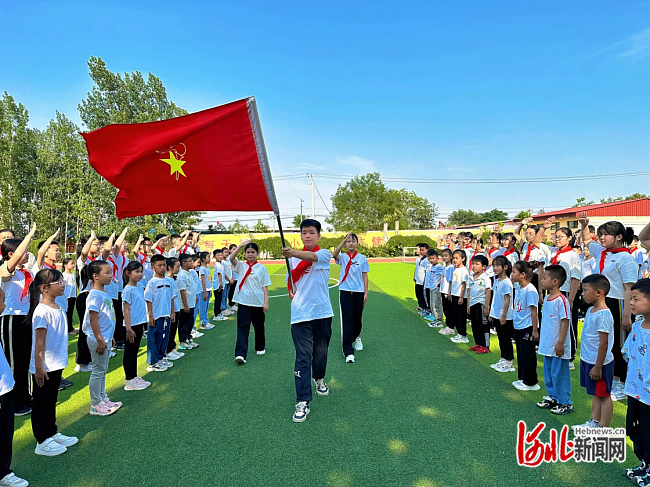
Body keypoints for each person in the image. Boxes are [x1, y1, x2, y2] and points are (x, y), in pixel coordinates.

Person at [580, 214, 639, 401]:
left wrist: (627, 315)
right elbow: (587, 240)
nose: (602, 238)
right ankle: (613, 378)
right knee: (608, 343)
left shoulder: (625, 258)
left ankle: (623, 382)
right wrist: (583, 225)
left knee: (621, 345)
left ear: (619, 237)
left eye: (606, 234)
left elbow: (629, 288)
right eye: (601, 234)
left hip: (620, 302)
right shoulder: (603, 252)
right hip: (604, 301)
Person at [281, 219, 334, 423]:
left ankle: (319, 378)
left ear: (318, 235)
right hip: (300, 315)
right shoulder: (291, 260)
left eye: (312, 232)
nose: (308, 236)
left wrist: (293, 252)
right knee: (303, 358)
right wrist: (290, 291)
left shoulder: (324, 253)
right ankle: (302, 401)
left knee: (320, 355)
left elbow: (311, 257)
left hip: (322, 313)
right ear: (301, 235)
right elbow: (291, 280)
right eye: (304, 233)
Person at [27, 268, 78, 456]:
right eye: (59, 282)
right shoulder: (41, 311)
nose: (63, 285)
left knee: (51, 400)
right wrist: (38, 368)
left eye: (63, 281)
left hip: (57, 364)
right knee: (40, 402)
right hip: (44, 366)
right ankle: (41, 440)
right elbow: (38, 343)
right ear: (44, 288)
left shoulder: (59, 308)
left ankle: (52, 432)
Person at [534, 217, 581, 368]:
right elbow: (536, 242)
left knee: (569, 324)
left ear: (569, 238)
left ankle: (570, 355)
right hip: (552, 293)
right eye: (555, 236)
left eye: (560, 237)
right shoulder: (553, 251)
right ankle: (552, 348)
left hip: (566, 292)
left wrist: (572, 299)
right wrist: (544, 227)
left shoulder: (572, 255)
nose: (557, 239)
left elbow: (575, 278)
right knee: (552, 323)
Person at [0, 223, 37, 416]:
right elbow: (13, 260)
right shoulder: (4, 271)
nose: (27, 253)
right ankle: (15, 403)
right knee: (14, 362)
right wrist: (29, 234)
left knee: (25, 360)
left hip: (25, 319)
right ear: (9, 255)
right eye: (23, 251)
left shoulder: (25, 272)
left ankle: (25, 397)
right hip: (10, 320)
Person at [573, 274, 615, 431]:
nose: (582, 294)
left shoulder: (604, 315)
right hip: (588, 359)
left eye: (585, 290)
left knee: (604, 395)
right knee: (596, 394)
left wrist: (598, 367)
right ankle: (594, 422)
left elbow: (603, 343)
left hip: (600, 363)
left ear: (599, 292)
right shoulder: (591, 310)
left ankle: (605, 428)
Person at [83, 261, 122, 416]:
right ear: (95, 276)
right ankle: (95, 404)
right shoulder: (94, 295)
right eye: (107, 272)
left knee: (103, 369)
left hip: (105, 338)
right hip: (97, 339)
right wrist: (99, 339)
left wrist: (109, 337)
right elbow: (93, 319)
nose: (110, 275)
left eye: (111, 272)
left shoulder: (104, 293)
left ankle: (102, 398)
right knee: (98, 371)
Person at [622, 279, 650, 485]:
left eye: (636, 299)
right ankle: (644, 463)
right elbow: (627, 352)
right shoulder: (638, 326)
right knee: (634, 430)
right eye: (630, 298)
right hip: (634, 390)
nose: (631, 303)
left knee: (649, 433)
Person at [0, 287, 29, 487]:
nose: (4, 305)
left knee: (6, 432)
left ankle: (3, 471)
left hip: (5, 386)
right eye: (1, 300)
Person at [535, 265, 573, 415]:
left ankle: (565, 402)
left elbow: (565, 321)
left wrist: (560, 342)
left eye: (545, 278)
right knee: (549, 372)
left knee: (560, 373)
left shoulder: (561, 300)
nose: (542, 280)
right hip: (547, 345)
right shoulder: (548, 299)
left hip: (558, 346)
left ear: (555, 281)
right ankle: (553, 397)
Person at [229, 240, 271, 364]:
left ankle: (260, 346)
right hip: (243, 301)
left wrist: (266, 302)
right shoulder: (241, 266)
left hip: (257, 302)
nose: (250, 254)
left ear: (257, 253)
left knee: (258, 325)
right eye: (248, 252)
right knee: (242, 327)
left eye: (253, 252)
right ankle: (241, 354)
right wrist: (240, 246)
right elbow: (231, 258)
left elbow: (265, 286)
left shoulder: (262, 268)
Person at [332, 233, 370, 363]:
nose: (351, 243)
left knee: (357, 319)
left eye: (353, 241)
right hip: (345, 292)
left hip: (358, 292)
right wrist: (342, 242)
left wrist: (366, 292)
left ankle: (357, 337)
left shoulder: (362, 258)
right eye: (348, 241)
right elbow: (334, 254)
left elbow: (365, 275)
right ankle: (348, 351)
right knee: (346, 321)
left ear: (357, 243)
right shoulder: (342, 257)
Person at [121, 261, 151, 391]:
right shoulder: (127, 290)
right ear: (128, 273)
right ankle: (129, 380)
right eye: (136, 271)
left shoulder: (139, 288)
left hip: (139, 324)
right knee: (130, 353)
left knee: (134, 351)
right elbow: (126, 310)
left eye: (141, 271)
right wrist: (128, 328)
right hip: (131, 326)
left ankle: (134, 376)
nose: (140, 274)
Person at [511, 261, 540, 392]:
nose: (511, 274)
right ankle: (523, 378)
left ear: (522, 275)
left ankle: (531, 382)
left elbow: (534, 311)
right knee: (521, 354)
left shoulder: (531, 290)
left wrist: (535, 329)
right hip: (518, 325)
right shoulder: (518, 287)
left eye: (513, 272)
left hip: (527, 327)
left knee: (528, 354)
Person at [144, 255, 176, 372]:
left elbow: (172, 297)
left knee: (164, 337)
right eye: (159, 266)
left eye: (164, 265)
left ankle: (161, 357)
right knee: (154, 338)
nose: (163, 268)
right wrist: (150, 315)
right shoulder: (151, 283)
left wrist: (172, 312)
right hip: (156, 315)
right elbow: (148, 299)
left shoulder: (169, 281)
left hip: (166, 314)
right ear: (153, 268)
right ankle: (153, 361)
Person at [489, 256, 515, 373]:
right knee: (501, 337)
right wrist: (491, 313)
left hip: (505, 316)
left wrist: (503, 315)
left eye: (497, 265)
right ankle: (504, 358)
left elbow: (507, 300)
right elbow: (495, 298)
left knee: (506, 338)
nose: (495, 268)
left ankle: (509, 361)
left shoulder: (507, 282)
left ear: (505, 267)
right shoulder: (496, 280)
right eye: (494, 265)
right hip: (496, 314)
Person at [465, 254, 492, 353]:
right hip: (472, 304)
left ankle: (485, 346)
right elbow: (468, 291)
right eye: (473, 264)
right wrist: (468, 305)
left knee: (483, 324)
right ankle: (478, 343)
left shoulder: (486, 278)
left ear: (484, 267)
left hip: (481, 303)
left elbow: (488, 291)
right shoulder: (470, 277)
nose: (474, 266)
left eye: (477, 264)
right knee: (475, 325)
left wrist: (486, 306)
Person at [165, 257, 186, 360]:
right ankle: (168, 350)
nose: (179, 269)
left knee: (173, 330)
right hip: (171, 310)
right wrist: (172, 311)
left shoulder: (173, 279)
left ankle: (172, 348)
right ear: (170, 267)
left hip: (176, 308)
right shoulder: (167, 280)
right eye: (177, 267)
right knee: (170, 330)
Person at [176, 254, 198, 351]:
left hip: (191, 302)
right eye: (190, 261)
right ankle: (183, 340)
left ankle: (188, 338)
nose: (192, 262)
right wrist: (185, 305)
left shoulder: (189, 273)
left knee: (190, 322)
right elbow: (182, 291)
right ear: (184, 263)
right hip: (185, 304)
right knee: (184, 322)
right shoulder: (181, 275)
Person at [446, 250, 469, 342]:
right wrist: (450, 292)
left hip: (460, 296)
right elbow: (452, 282)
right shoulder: (454, 269)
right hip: (454, 295)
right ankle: (459, 333)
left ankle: (463, 335)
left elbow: (464, 285)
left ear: (463, 259)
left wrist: (461, 297)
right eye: (453, 258)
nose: (454, 260)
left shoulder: (464, 270)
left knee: (461, 316)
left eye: (457, 258)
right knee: (456, 314)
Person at [423, 249, 445, 328]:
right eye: (430, 259)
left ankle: (439, 320)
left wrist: (440, 282)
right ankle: (436, 319)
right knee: (432, 304)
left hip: (436, 288)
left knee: (436, 303)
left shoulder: (439, 267)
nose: (431, 260)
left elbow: (445, 273)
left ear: (437, 258)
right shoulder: (430, 266)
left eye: (433, 258)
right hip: (431, 287)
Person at [439, 249, 454, 333]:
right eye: (443, 256)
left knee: (449, 310)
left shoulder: (451, 268)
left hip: (447, 291)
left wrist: (450, 292)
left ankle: (451, 327)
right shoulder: (445, 267)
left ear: (450, 256)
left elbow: (451, 281)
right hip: (443, 290)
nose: (444, 258)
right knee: (445, 309)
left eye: (446, 256)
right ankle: (448, 325)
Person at [196, 252, 213, 329]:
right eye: (208, 257)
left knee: (206, 307)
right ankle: (203, 322)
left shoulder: (207, 268)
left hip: (208, 289)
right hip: (203, 290)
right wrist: (205, 292)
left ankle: (206, 320)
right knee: (202, 307)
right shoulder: (202, 269)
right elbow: (203, 281)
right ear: (203, 259)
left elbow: (209, 279)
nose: (209, 259)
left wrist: (210, 290)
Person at [62, 258, 78, 335]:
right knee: (66, 313)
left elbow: (74, 286)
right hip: (66, 297)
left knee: (70, 313)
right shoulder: (63, 275)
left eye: (73, 263)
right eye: (71, 263)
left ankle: (70, 328)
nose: (73, 265)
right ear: (65, 265)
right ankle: (67, 329)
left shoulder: (73, 275)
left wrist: (75, 295)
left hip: (72, 296)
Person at [211, 249, 227, 322]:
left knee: (219, 300)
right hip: (218, 285)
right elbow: (219, 274)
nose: (220, 257)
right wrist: (220, 284)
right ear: (214, 257)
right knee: (217, 300)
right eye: (218, 255)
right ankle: (216, 314)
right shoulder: (217, 264)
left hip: (220, 284)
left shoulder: (220, 264)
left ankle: (219, 313)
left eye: (221, 255)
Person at [413, 244, 429, 312]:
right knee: (418, 293)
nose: (420, 251)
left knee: (423, 295)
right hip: (418, 280)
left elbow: (426, 271)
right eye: (420, 250)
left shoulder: (426, 260)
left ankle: (426, 308)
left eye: (422, 250)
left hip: (423, 281)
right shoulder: (419, 259)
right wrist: (414, 276)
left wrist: (425, 280)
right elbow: (416, 268)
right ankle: (421, 306)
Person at [228, 243, 239, 310]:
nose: (235, 250)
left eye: (236, 249)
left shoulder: (236, 258)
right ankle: (231, 305)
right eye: (233, 249)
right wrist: (231, 278)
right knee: (231, 291)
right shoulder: (229, 258)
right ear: (230, 250)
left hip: (236, 277)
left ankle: (233, 304)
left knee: (234, 291)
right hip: (232, 278)